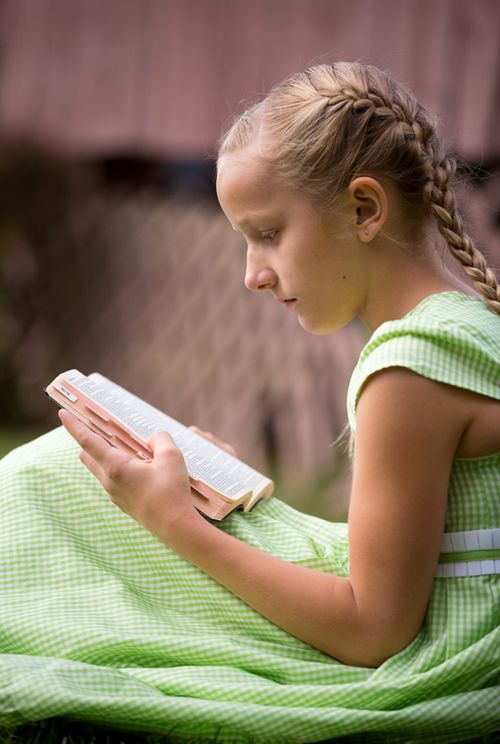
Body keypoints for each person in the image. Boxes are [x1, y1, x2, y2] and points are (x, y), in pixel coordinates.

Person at [1, 62, 499, 742]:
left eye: (267, 233)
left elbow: (373, 629)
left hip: (448, 669)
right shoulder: (466, 325)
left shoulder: (408, 371)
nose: (251, 275)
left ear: (363, 209)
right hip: (452, 632)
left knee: (56, 477)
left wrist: (174, 519)